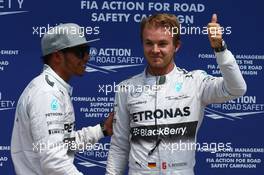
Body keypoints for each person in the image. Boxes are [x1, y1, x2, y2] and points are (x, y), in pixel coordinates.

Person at [106, 13, 247, 175]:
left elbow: (236, 88)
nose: (155, 50)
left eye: (162, 44)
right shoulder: (126, 88)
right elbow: (119, 145)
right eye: (149, 43)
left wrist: (220, 48)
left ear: (176, 46)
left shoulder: (195, 82)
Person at [11, 23, 113, 175]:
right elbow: (54, 162)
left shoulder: (53, 89)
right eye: (80, 51)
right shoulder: (47, 93)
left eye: (87, 50)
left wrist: (102, 129)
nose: (87, 56)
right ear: (57, 56)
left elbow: (64, 144)